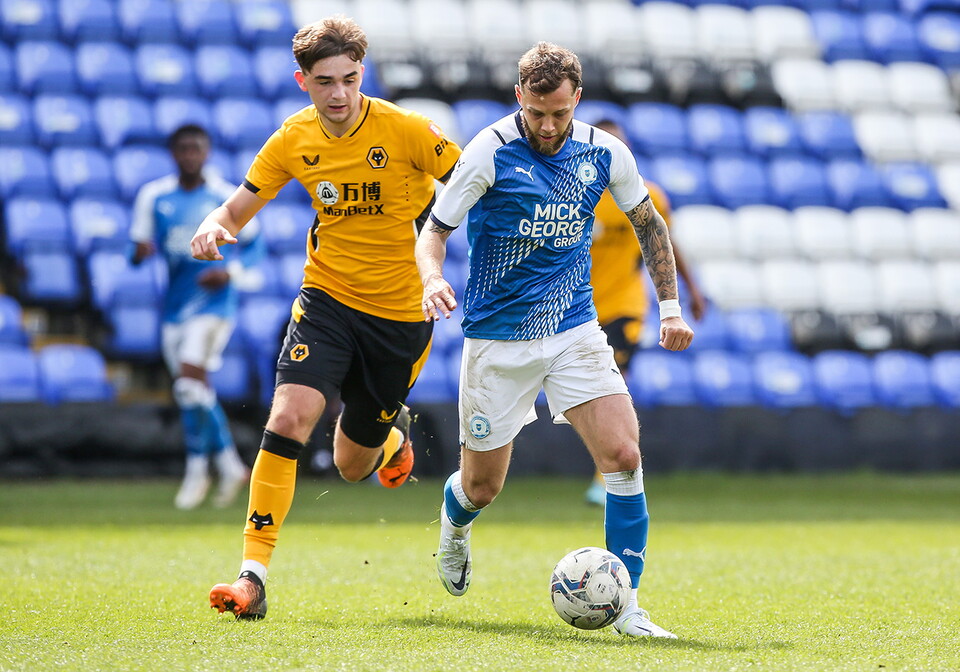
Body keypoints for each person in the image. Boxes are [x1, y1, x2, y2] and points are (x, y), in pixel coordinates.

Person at [416, 42, 694, 639]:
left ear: (577, 101)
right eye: (538, 111)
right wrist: (433, 278)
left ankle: (629, 608)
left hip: (573, 328)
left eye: (560, 114)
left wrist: (669, 308)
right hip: (498, 340)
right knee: (482, 487)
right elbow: (434, 231)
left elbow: (649, 223)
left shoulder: (604, 152)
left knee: (623, 457)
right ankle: (455, 523)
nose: (548, 126)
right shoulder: (488, 153)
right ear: (520, 97)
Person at [190, 16, 462, 620]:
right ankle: (251, 576)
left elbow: (474, 184)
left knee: (350, 464)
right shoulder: (293, 139)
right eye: (324, 82)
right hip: (327, 300)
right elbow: (236, 209)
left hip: (399, 318)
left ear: (362, 74)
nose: (339, 94)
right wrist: (213, 226)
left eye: (350, 79)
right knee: (289, 416)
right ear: (302, 81)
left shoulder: (408, 131)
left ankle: (391, 439)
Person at [131, 124, 264, 510]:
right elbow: (135, 248)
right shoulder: (154, 196)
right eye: (183, 149)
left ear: (206, 152)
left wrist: (230, 273)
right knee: (190, 390)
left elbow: (256, 246)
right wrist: (138, 252)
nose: (190, 155)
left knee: (189, 382)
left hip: (215, 304)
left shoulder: (224, 196)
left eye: (197, 148)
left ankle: (196, 473)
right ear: (173, 153)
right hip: (175, 306)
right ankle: (229, 465)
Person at [584, 118, 708, 507]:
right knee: (586, 391)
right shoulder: (576, 195)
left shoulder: (645, 194)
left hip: (625, 306)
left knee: (615, 383)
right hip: (579, 307)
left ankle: (606, 477)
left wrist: (692, 290)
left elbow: (664, 242)